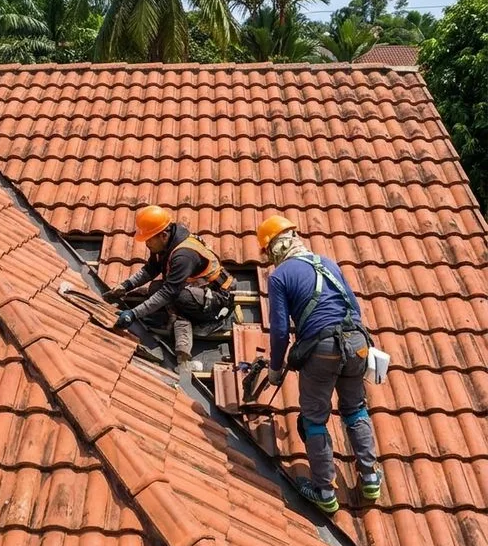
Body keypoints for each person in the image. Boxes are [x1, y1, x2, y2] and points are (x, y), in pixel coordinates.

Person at [259, 215, 382, 513]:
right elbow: (353, 305)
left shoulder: (279, 277)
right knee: (355, 408)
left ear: (274, 249)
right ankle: (370, 478)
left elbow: (278, 331)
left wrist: (276, 369)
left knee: (315, 419)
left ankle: (324, 492)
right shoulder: (328, 262)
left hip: (322, 349)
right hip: (357, 343)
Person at [106, 205, 237, 372]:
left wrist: (133, 313)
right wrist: (126, 286)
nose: (147, 244)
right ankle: (183, 317)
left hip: (218, 301)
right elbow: (150, 269)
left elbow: (169, 292)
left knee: (175, 296)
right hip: (197, 291)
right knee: (155, 288)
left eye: (149, 239)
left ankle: (196, 332)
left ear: (163, 235)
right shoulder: (164, 244)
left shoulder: (183, 255)